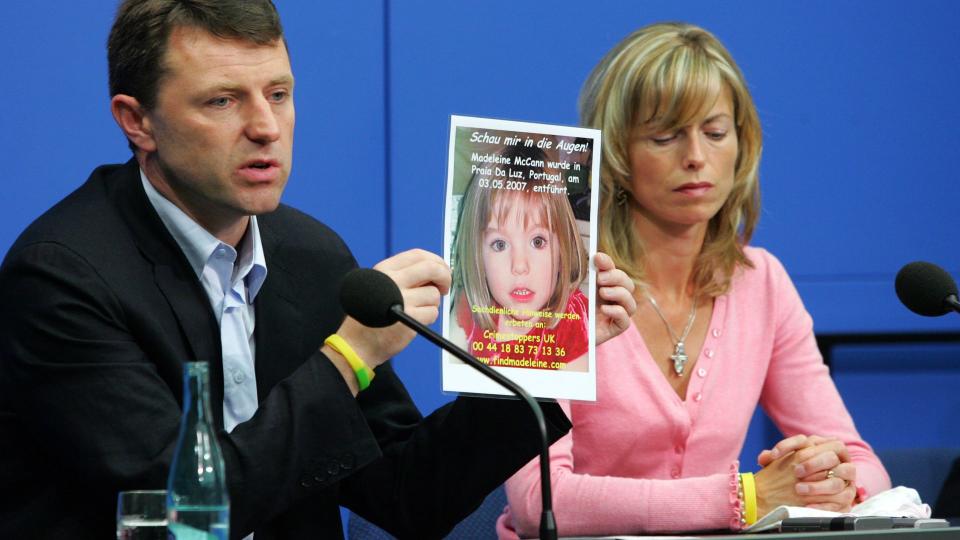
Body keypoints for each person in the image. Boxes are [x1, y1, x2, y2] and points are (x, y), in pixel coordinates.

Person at [0, 1, 636, 538]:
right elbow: (179, 514)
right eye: (222, 101)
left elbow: (408, 494)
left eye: (279, 93)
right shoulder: (62, 277)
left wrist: (545, 357)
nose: (266, 127)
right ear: (137, 121)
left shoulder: (308, 254)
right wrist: (347, 360)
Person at [497, 22, 892, 538]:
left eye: (715, 132)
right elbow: (537, 501)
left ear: (741, 144)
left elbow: (865, 467)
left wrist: (827, 479)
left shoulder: (761, 282)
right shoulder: (543, 283)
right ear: (616, 155)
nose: (695, 157)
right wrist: (745, 498)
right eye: (665, 136)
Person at [451, 145, 590, 371]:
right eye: (500, 244)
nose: (519, 266)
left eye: (537, 242)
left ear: (563, 247)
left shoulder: (573, 319)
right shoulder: (471, 309)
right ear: (478, 256)